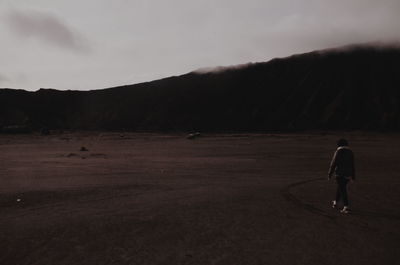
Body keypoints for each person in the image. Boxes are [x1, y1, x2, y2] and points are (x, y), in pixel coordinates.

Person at [328, 138, 355, 213]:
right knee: (341, 187)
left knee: (342, 189)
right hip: (348, 174)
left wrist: (330, 174)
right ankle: (336, 202)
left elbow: (333, 163)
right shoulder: (350, 152)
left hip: (339, 174)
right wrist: (353, 176)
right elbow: (352, 165)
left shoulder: (338, 151)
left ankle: (346, 206)